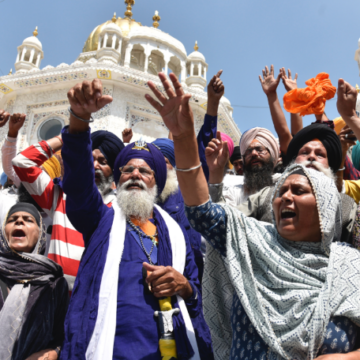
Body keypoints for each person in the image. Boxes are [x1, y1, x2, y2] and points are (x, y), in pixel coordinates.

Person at [146, 71, 360, 359]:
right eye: (281, 190)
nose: (285, 196)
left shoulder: (350, 264)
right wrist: (184, 137)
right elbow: (202, 212)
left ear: (326, 205)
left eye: (298, 191)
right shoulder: (252, 240)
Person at [60, 79, 213, 360]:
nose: (135, 175)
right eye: (127, 169)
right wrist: (79, 121)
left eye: (145, 171)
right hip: (106, 349)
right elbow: (80, 185)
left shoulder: (176, 235)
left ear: (156, 183)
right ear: (117, 180)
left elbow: (195, 293)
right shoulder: (101, 219)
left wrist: (183, 285)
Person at [12, 123, 124, 292]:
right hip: (53, 299)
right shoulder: (60, 196)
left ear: (114, 170)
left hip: (93, 300)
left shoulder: (119, 208)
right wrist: (65, 138)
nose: (94, 166)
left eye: (103, 162)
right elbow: (22, 162)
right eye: (90, 159)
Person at [209, 122, 357, 243]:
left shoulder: (346, 205)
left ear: (329, 166)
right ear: (293, 161)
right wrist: (215, 173)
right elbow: (223, 223)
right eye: (304, 152)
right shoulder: (268, 195)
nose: (311, 157)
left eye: (320, 155)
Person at [0, 203, 68, 360]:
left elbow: (62, 336)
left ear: (41, 233)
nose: (19, 222)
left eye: (28, 219)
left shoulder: (54, 284)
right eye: (12, 219)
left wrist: (53, 353)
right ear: (4, 231)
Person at [153, 137, 204, 281]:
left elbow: (193, 244)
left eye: (165, 162)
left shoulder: (186, 197)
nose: (159, 167)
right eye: (154, 162)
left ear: (174, 167)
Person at [207, 126, 280, 207]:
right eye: (248, 152)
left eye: (259, 149)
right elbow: (221, 215)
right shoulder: (234, 192)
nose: (253, 153)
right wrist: (216, 172)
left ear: (272, 154)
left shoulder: (283, 184)